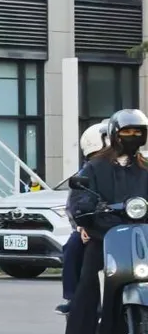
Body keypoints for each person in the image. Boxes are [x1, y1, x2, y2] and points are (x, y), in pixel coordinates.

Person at [62, 108, 148, 334]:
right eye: (127, 131)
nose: (132, 136)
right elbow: (80, 198)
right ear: (114, 134)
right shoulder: (94, 166)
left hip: (142, 233)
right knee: (89, 278)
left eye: (138, 132)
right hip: (105, 234)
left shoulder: (145, 168)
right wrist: (87, 219)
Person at [57, 121, 110, 315]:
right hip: (97, 227)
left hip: (131, 227)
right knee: (73, 245)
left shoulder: (132, 168)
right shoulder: (86, 173)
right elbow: (74, 204)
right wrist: (81, 226)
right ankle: (73, 297)